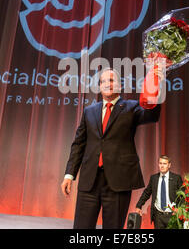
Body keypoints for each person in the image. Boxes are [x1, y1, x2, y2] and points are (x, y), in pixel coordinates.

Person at [61, 68, 163, 229]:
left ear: (119, 86)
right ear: (99, 86)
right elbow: (78, 144)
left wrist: (157, 86)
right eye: (103, 81)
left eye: (111, 80)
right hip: (90, 181)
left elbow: (152, 115)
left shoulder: (131, 107)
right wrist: (69, 174)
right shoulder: (89, 111)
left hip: (118, 182)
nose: (107, 84)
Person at [135, 155, 183, 229]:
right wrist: (139, 206)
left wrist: (179, 209)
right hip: (158, 216)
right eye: (160, 163)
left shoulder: (176, 178)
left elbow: (183, 195)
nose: (162, 166)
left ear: (169, 165)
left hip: (172, 215)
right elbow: (147, 193)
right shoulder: (154, 178)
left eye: (164, 164)